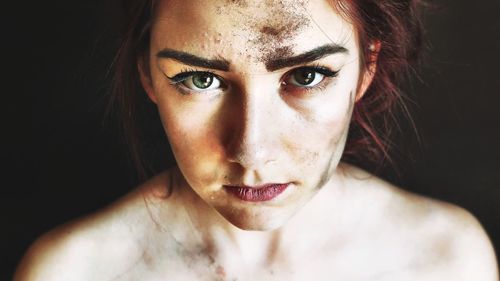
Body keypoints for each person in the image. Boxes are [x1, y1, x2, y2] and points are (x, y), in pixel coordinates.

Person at [14, 0, 498, 280]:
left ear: (366, 67)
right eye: (200, 80)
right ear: (146, 72)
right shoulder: (72, 272)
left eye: (307, 75)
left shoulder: (445, 260)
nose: (252, 150)